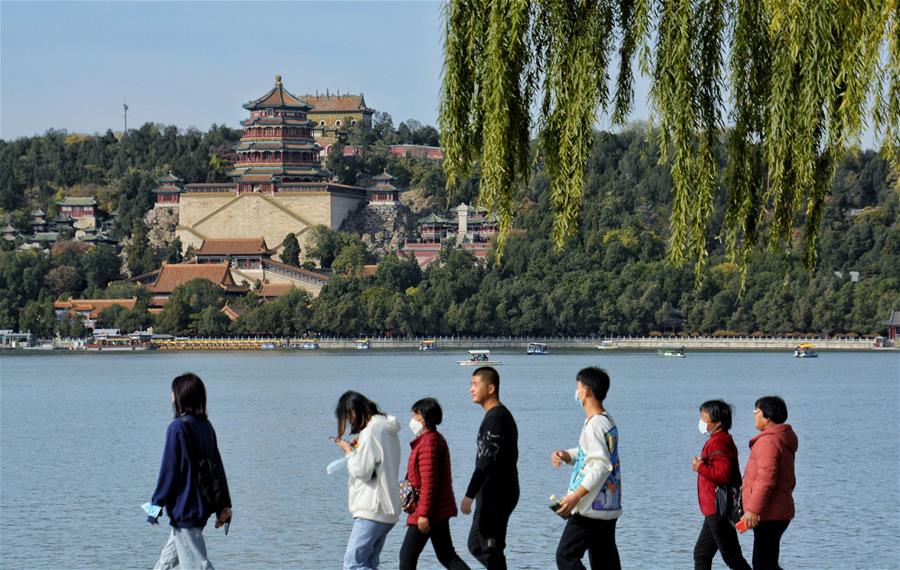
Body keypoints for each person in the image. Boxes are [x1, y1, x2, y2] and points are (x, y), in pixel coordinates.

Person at [148, 373, 232, 570]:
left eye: (173, 393)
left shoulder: (177, 428)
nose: (171, 397)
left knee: (196, 565)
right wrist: (224, 506)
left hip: (186, 507)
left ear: (180, 397)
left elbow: (169, 471)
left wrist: (155, 506)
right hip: (201, 506)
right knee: (166, 562)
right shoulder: (206, 426)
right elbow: (217, 467)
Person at [550, 367, 622, 570]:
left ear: (587, 391)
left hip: (589, 508)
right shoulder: (605, 420)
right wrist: (567, 455)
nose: (576, 392)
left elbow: (600, 466)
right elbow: (589, 454)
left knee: (566, 556)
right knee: (604, 561)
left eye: (578, 387)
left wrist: (575, 497)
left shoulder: (595, 425)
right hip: (607, 507)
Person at [399, 398, 470, 570]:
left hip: (428, 511)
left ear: (423, 417)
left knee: (407, 556)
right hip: (436, 509)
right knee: (447, 555)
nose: (412, 419)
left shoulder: (429, 443)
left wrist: (423, 514)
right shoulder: (430, 440)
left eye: (414, 414)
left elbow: (429, 482)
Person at [335, 390, 402, 570]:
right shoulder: (385, 428)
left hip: (372, 508)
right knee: (369, 563)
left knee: (353, 564)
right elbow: (377, 465)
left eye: (348, 418)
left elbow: (362, 470)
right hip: (388, 508)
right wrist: (359, 450)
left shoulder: (371, 430)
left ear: (354, 412)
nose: (350, 423)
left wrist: (349, 452)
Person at [461, 367, 519, 569]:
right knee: (476, 544)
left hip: (498, 493)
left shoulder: (497, 418)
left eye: (475, 384)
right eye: (471, 384)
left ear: (491, 388)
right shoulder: (492, 416)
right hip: (488, 493)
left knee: (489, 548)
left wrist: (469, 494)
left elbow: (485, 462)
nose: (471, 389)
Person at [691, 400, 751, 570]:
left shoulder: (719, 442)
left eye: (705, 419)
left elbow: (723, 474)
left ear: (717, 423)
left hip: (719, 508)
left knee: (731, 557)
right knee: (702, 554)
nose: (701, 423)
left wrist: (700, 467)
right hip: (714, 508)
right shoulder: (720, 440)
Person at [740, 396, 797, 570]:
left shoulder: (768, 442)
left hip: (769, 513)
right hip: (775, 511)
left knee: (764, 564)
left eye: (756, 412)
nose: (754, 415)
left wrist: (752, 510)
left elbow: (766, 480)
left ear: (768, 416)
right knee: (763, 563)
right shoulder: (781, 437)